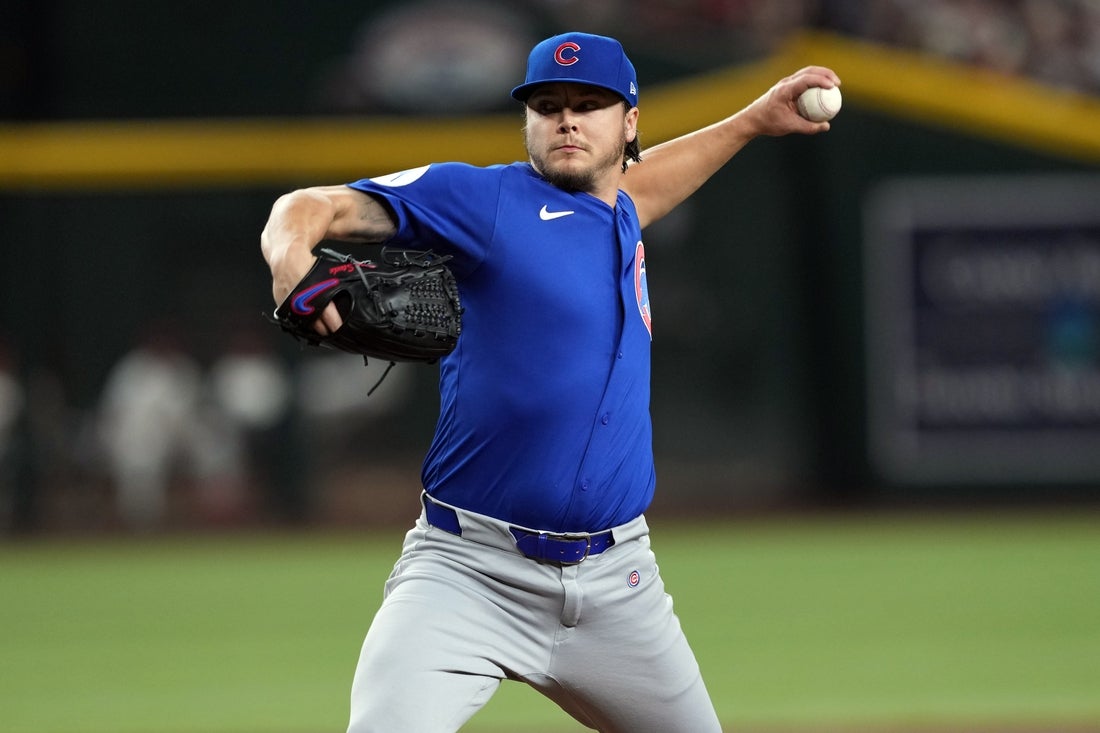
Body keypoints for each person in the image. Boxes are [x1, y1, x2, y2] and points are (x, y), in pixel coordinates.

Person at [261, 31, 839, 733]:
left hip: (619, 587)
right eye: (548, 105)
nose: (567, 120)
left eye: (589, 105)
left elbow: (647, 184)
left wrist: (751, 120)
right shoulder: (482, 199)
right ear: (528, 120)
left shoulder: (620, 210)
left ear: (628, 123)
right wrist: (291, 262)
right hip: (466, 573)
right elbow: (309, 204)